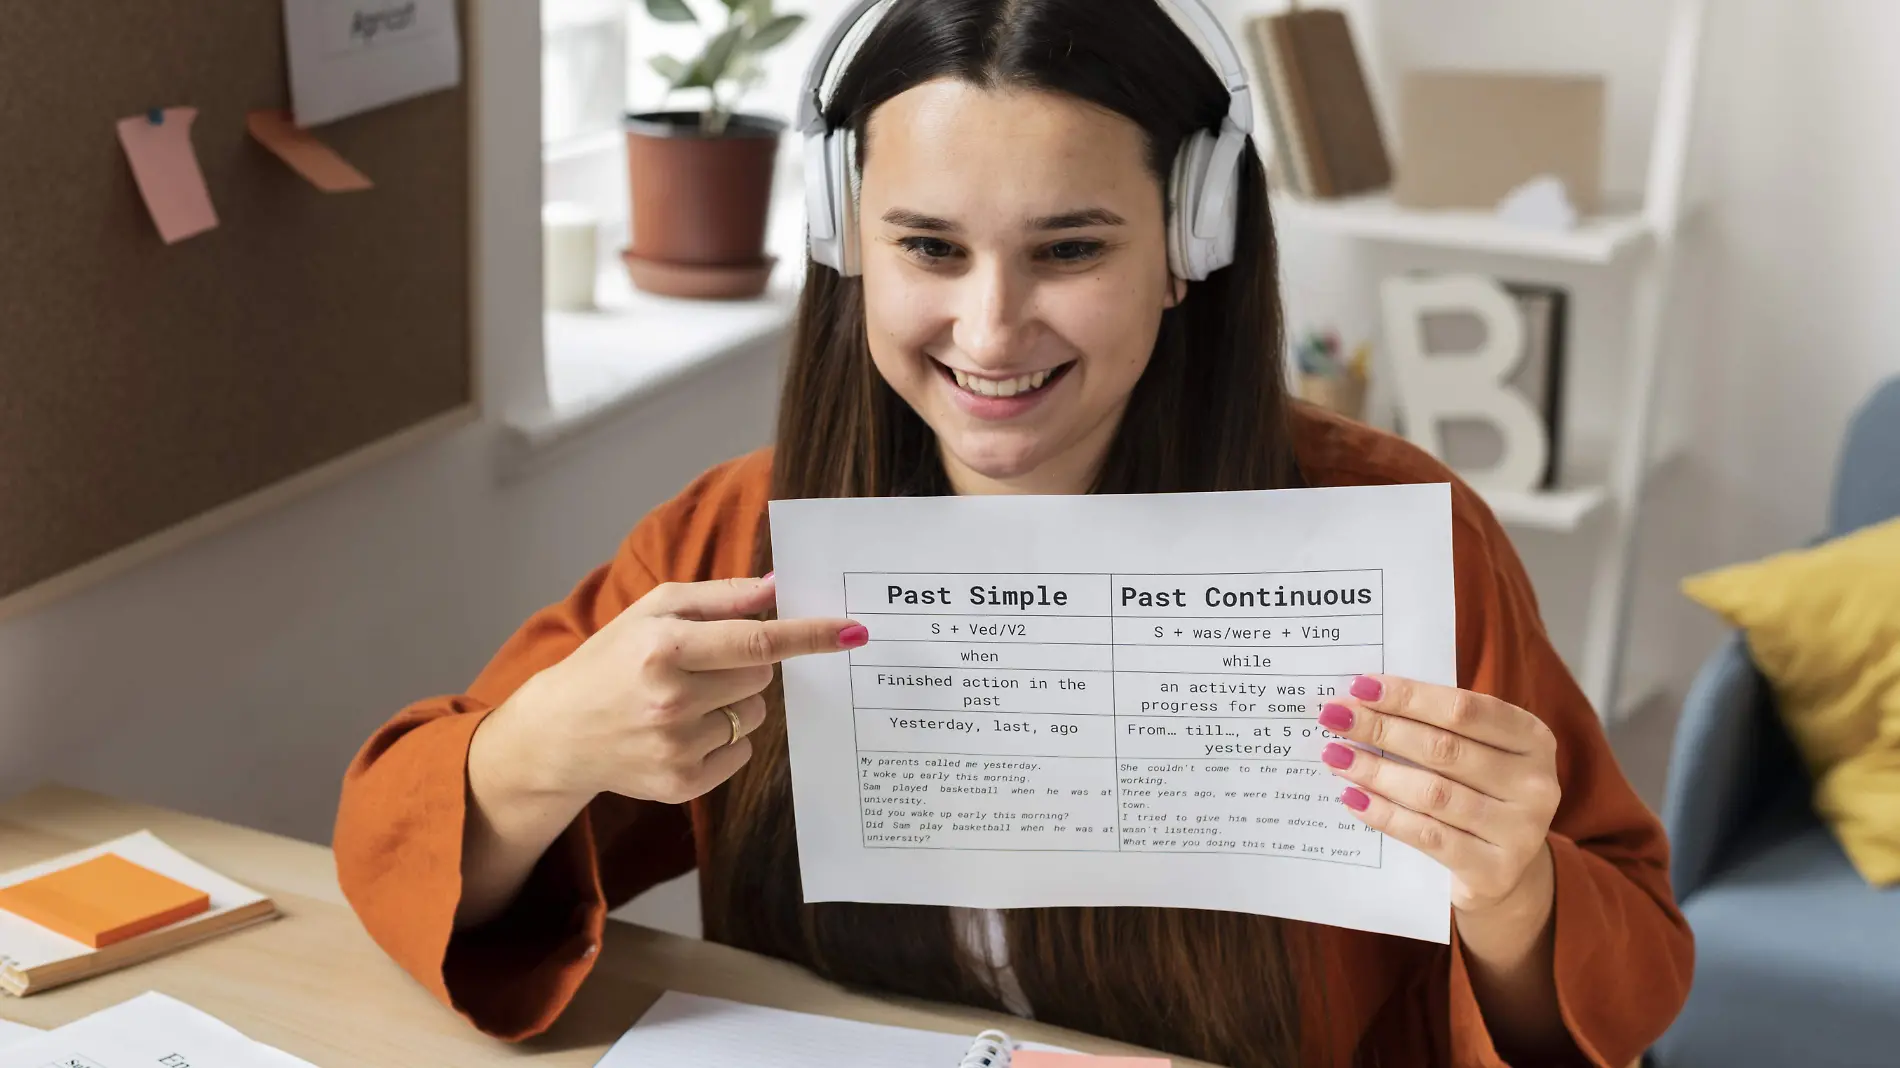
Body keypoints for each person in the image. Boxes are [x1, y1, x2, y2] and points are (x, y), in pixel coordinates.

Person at [333, 0, 1692, 1064]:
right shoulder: (738, 533)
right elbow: (404, 851)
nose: (989, 332)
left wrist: (1511, 891)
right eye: (928, 247)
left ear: (1190, 240)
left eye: (1070, 249)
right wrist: (537, 754)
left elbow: (1618, 987)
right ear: (845, 236)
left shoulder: (1395, 537)